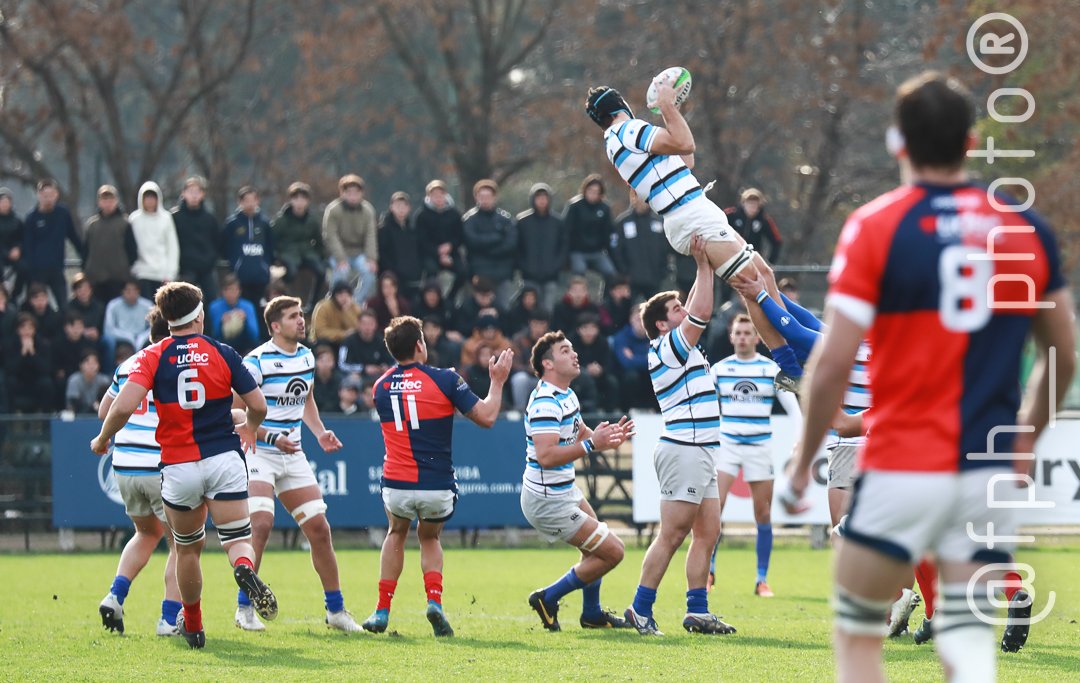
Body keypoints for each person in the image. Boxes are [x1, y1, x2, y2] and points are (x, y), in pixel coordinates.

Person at [786, 71, 1075, 682]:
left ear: (898, 143)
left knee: (859, 633)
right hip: (982, 468)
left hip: (901, 461)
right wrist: (1025, 437)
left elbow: (834, 363)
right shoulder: (1023, 231)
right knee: (968, 647)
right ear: (971, 143)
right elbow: (1064, 356)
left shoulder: (875, 225)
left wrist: (799, 463)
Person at [90, 282, 275, 649]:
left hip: (179, 466)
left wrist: (102, 438)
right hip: (223, 458)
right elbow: (258, 404)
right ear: (201, 315)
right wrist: (251, 429)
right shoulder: (222, 352)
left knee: (188, 548)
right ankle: (243, 568)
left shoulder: (152, 356)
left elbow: (122, 407)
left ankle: (192, 624)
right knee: (237, 539)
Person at [584, 83, 803, 388]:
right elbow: (685, 141)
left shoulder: (617, 141)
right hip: (688, 214)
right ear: (620, 106)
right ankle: (791, 367)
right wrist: (668, 107)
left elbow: (686, 159)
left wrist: (670, 113)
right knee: (751, 285)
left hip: (695, 208)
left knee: (764, 274)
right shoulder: (628, 130)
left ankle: (797, 348)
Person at [363, 315, 513, 637]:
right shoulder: (446, 379)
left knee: (396, 533)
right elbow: (487, 417)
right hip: (435, 485)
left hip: (396, 484)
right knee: (429, 537)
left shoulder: (380, 386)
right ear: (420, 344)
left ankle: (381, 609)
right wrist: (497, 381)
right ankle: (434, 602)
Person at [624, 235, 735, 636]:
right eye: (676, 310)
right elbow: (702, 309)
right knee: (671, 535)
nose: (684, 311)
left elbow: (694, 306)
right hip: (684, 449)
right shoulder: (668, 346)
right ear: (661, 323)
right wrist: (704, 265)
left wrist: (700, 268)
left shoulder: (678, 345)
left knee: (708, 533)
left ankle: (697, 610)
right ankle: (639, 608)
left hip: (699, 450)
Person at [235, 296, 361, 633]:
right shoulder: (256, 361)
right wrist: (270, 436)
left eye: (301, 315)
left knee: (319, 529)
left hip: (293, 455)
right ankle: (244, 607)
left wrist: (319, 433)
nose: (301, 321)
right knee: (260, 524)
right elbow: (235, 412)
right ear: (275, 326)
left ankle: (335, 611)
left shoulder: (306, 357)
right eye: (293, 316)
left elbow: (305, 398)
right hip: (259, 452)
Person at [522, 331, 632, 632]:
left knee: (596, 549)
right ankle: (548, 597)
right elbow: (545, 455)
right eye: (565, 350)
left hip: (562, 490)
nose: (574, 354)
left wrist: (604, 438)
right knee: (614, 551)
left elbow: (580, 431)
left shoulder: (565, 394)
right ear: (548, 363)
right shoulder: (546, 402)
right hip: (548, 500)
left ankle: (592, 614)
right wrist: (592, 445)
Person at [96, 308, 182, 636]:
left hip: (125, 466)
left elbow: (106, 410)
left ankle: (115, 595)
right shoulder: (175, 362)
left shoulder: (128, 364)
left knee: (147, 533)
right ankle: (168, 618)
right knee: (182, 545)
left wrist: (105, 438)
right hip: (159, 465)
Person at [708, 314, 801, 598]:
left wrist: (800, 440)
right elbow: (707, 410)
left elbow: (794, 407)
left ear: (757, 337)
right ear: (731, 336)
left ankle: (761, 579)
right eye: (739, 333)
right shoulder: (719, 370)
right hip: (727, 446)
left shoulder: (771, 369)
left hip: (759, 446)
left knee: (762, 513)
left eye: (749, 333)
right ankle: (708, 572)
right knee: (715, 510)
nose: (744, 337)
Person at [21, 178, 84, 305]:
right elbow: (27, 246)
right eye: (45, 196)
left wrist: (84, 255)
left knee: (63, 305)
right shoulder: (31, 218)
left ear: (56, 195)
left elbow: (73, 237)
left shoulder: (63, 214)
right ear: (39, 195)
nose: (48, 199)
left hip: (57, 268)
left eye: (51, 195)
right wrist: (30, 271)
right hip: (37, 271)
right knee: (35, 306)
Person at [461, 179, 518, 308]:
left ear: (494, 197)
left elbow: (511, 244)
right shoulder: (469, 220)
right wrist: (497, 238)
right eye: (482, 196)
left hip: (502, 274)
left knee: (503, 309)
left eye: (488, 196)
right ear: (476, 197)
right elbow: (472, 242)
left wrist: (486, 248)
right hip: (478, 274)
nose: (485, 199)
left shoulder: (506, 219)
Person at [323, 174, 378, 305]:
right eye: (349, 193)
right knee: (341, 274)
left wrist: (371, 258)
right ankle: (335, 303)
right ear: (342, 193)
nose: (353, 196)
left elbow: (371, 236)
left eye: (356, 193)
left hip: (359, 253)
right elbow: (330, 236)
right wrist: (340, 258)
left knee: (369, 273)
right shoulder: (333, 210)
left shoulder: (368, 211)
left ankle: (355, 304)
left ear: (361, 194)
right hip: (340, 253)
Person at [271, 181, 325, 306]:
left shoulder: (311, 220)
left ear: (308, 201)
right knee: (291, 272)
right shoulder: (282, 220)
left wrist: (321, 256)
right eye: (296, 198)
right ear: (291, 200)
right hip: (288, 253)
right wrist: (276, 256)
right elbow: (272, 239)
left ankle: (313, 303)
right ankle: (286, 301)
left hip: (307, 253)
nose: (299, 202)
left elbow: (318, 240)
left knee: (321, 272)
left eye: (303, 199)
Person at [82, 185, 136, 305]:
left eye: (110, 200)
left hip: (118, 279)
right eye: (104, 200)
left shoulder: (125, 223)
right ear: (99, 202)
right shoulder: (92, 225)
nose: (107, 203)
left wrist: (124, 268)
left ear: (116, 201)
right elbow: (85, 251)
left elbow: (132, 251)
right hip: (95, 279)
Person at [413, 179, 466, 301]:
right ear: (429, 196)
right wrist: (438, 252)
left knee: (463, 271)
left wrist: (450, 246)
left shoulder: (454, 213)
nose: (438, 198)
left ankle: (450, 298)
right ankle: (432, 300)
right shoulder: (422, 215)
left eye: (440, 194)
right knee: (431, 272)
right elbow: (421, 240)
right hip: (430, 254)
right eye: (434, 195)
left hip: (451, 252)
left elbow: (460, 236)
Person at [516, 183, 567, 310]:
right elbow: (517, 247)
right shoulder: (522, 221)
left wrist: (556, 267)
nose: (542, 200)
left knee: (548, 309)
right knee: (530, 310)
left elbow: (564, 247)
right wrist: (524, 266)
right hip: (529, 276)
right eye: (538, 197)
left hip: (551, 276)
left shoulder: (558, 222)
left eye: (545, 197)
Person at [223, 186, 274, 308]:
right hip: (240, 277)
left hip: (261, 277)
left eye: (253, 200)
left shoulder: (265, 224)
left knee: (260, 310)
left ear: (258, 201)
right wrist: (234, 263)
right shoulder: (232, 224)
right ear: (239, 202)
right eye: (246, 200)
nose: (250, 204)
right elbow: (224, 246)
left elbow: (271, 247)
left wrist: (266, 265)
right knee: (242, 309)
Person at [172, 176, 222, 302]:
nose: (194, 196)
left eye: (197, 192)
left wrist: (211, 260)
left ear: (203, 194)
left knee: (211, 300)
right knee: (185, 301)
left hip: (206, 268)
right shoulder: (175, 218)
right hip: (185, 268)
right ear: (183, 193)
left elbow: (217, 242)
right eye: (190, 192)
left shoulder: (209, 219)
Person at [612, 192, 670, 300]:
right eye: (638, 198)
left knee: (654, 311)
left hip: (654, 279)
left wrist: (663, 271)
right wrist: (624, 272)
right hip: (631, 280)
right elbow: (616, 251)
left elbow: (664, 248)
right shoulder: (623, 222)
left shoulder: (658, 222)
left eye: (644, 200)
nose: (640, 202)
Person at [129, 181, 181, 301]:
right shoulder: (134, 219)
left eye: (153, 197)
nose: (150, 201)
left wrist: (170, 274)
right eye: (146, 197)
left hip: (162, 274)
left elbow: (172, 248)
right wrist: (133, 270)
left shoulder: (166, 218)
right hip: (141, 273)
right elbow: (130, 247)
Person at [563, 174, 617, 280]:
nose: (593, 194)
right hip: (577, 251)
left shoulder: (604, 208)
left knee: (610, 272)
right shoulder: (574, 206)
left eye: (596, 192)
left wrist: (612, 254)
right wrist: (566, 254)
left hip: (597, 252)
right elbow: (566, 231)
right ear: (585, 190)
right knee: (579, 271)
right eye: (590, 190)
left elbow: (608, 233)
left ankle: (605, 296)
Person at [377, 191, 424, 303]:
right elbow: (382, 254)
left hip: (413, 277)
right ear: (391, 207)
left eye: (404, 206)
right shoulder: (384, 229)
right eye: (398, 205)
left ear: (409, 208)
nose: (401, 209)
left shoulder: (412, 230)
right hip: (393, 276)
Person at [6, 313, 54, 413]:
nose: (27, 331)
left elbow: (45, 369)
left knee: (47, 383)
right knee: (9, 382)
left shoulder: (42, 345)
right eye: (23, 328)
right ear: (18, 330)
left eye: (30, 328)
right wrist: (22, 354)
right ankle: (11, 417)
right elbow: (10, 370)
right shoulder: (11, 345)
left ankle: (43, 418)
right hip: (19, 382)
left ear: (34, 330)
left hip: (36, 382)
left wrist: (32, 353)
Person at [611, 307, 653, 411]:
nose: (642, 323)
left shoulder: (655, 336)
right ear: (631, 319)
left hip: (648, 376)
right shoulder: (621, 337)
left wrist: (634, 357)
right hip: (626, 377)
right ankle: (626, 410)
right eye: (639, 319)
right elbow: (626, 363)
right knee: (631, 376)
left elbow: (660, 361)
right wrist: (646, 358)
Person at [725, 188, 782, 263]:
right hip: (730, 258)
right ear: (743, 203)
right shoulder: (731, 214)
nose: (752, 206)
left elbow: (777, 241)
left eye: (755, 203)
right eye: (749, 203)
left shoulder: (764, 220)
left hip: (752, 261)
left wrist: (770, 262)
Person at [208, 274, 260, 355]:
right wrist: (221, 323)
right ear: (222, 291)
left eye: (234, 290)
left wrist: (245, 321)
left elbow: (255, 336)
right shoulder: (214, 307)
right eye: (227, 290)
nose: (231, 294)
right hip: (223, 347)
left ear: (239, 291)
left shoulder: (248, 306)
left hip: (244, 347)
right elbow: (213, 335)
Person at [338, 309, 392, 381]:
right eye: (364, 324)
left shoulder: (382, 340)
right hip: (356, 375)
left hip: (377, 375)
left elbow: (392, 361)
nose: (367, 327)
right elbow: (342, 364)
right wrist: (363, 368)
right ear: (358, 324)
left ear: (376, 324)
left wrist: (385, 366)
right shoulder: (349, 341)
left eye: (370, 323)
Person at [104, 279, 153, 353]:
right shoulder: (113, 305)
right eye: (128, 291)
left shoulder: (147, 305)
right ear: (122, 292)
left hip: (143, 339)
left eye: (135, 290)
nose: (132, 294)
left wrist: (142, 338)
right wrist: (129, 337)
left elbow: (153, 327)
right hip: (121, 339)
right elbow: (108, 330)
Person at [310, 282, 362, 347]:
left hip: (347, 343)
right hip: (327, 343)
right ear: (334, 295)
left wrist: (346, 311)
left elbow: (359, 328)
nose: (344, 298)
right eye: (340, 294)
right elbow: (320, 332)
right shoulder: (323, 307)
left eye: (347, 295)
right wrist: (343, 334)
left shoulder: (354, 307)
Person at [68, 273, 106, 342]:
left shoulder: (99, 306)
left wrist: (97, 333)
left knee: (109, 340)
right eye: (79, 289)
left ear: (91, 290)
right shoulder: (68, 308)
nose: (83, 292)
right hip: (77, 339)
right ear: (75, 291)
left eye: (86, 288)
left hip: (96, 338)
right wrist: (83, 332)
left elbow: (103, 326)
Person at [0, 187, 23, 287]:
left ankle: (14, 295)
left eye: (6, 201)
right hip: (1, 252)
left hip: (14, 252)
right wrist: (5, 252)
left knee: (25, 268)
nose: (4, 204)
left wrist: (18, 248)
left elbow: (22, 237)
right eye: (2, 202)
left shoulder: (17, 220)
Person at [311, 344, 342, 414]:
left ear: (333, 363)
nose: (325, 364)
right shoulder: (310, 380)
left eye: (328, 360)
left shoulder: (339, 380)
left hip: (335, 414)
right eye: (322, 360)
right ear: (316, 362)